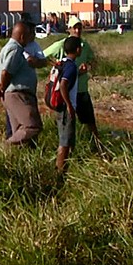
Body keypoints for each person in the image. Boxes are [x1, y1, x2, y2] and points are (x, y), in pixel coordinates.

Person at [43, 16, 102, 148]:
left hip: (81, 91)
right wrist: (56, 67)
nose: (77, 30)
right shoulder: (62, 45)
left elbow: (93, 61)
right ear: (68, 29)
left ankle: (98, 147)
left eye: (79, 28)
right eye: (74, 28)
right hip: (66, 94)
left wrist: (88, 67)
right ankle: (64, 156)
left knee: (90, 123)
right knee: (67, 127)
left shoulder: (84, 46)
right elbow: (43, 56)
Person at [0, 22, 43, 146]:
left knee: (19, 130)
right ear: (22, 36)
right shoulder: (16, 49)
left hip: (11, 94)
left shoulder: (5, 49)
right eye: (28, 35)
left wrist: (0, 88)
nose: (30, 38)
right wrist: (2, 88)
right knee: (32, 126)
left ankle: (15, 156)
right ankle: (7, 145)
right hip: (18, 94)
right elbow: (6, 72)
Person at [55, 36, 82, 174]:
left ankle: (64, 170)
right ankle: (60, 173)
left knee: (67, 141)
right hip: (66, 109)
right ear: (77, 49)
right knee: (64, 143)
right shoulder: (71, 66)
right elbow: (63, 85)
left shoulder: (62, 63)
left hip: (60, 108)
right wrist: (70, 106)